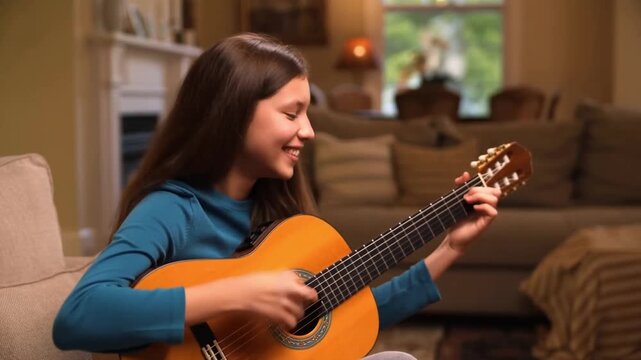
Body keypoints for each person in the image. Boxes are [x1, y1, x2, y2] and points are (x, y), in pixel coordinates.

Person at [53, 33, 500, 359]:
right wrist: (238, 292)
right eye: (292, 114)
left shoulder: (282, 217)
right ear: (231, 114)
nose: (308, 132)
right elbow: (78, 317)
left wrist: (448, 249)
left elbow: (345, 322)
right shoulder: (170, 209)